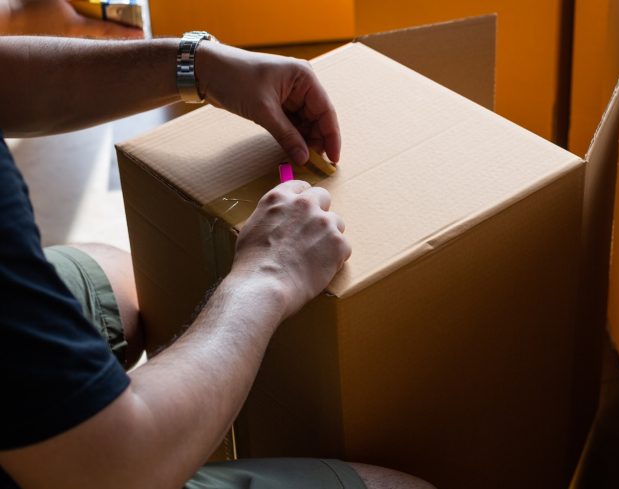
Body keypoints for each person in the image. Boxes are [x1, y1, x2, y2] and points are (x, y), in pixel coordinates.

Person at [0, 23, 433, 489]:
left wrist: (197, 65)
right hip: (108, 467)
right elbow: (113, 468)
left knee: (123, 282)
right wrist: (266, 274)